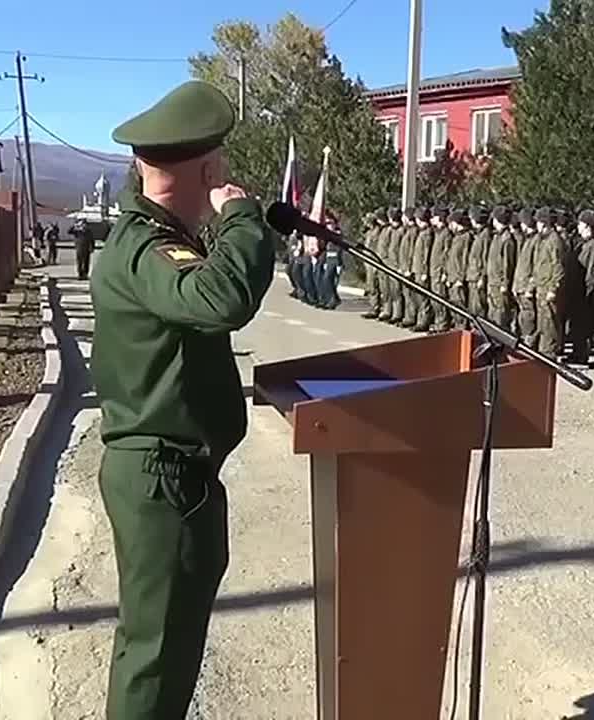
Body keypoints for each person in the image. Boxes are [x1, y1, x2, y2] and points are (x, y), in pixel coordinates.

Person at [91, 80, 275, 720]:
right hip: (159, 478)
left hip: (174, 476)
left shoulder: (158, 239)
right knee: (155, 657)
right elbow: (220, 300)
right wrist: (243, 217)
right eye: (219, 163)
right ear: (207, 167)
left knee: (162, 654)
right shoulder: (146, 247)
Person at [568, 209, 594, 365]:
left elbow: (591, 272)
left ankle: (582, 354)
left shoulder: (592, 246)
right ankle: (577, 353)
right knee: (577, 325)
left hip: (585, 291)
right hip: (578, 290)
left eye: (581, 224)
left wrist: (587, 292)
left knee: (583, 326)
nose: (578, 227)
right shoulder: (583, 244)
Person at [532, 207, 568, 356]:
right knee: (543, 323)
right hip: (541, 287)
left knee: (549, 323)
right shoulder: (543, 240)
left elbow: (558, 266)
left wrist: (553, 288)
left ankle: (549, 353)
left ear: (544, 223)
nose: (536, 225)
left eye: (539, 222)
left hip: (548, 289)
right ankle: (544, 351)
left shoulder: (555, 241)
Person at [486, 206, 517, 330]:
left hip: (499, 284)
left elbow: (507, 264)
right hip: (493, 281)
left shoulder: (507, 239)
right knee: (492, 313)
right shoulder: (496, 237)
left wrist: (505, 283)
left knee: (500, 314)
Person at [513, 208, 539, 344]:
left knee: (529, 317)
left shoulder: (535, 241)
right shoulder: (527, 240)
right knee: (524, 317)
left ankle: (531, 342)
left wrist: (530, 286)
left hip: (527, 287)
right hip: (520, 286)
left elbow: (536, 267)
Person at [444, 209, 471, 329]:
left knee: (460, 304)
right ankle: (457, 324)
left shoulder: (466, 237)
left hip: (458, 276)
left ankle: (462, 326)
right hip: (452, 275)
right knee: (453, 303)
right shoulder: (456, 237)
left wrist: (460, 277)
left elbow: (464, 259)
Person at [428, 207, 453, 332]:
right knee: (435, 299)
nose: (432, 219)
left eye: (435, 217)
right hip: (434, 270)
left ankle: (442, 324)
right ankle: (438, 322)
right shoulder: (438, 232)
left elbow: (446, 254)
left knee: (440, 299)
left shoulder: (446, 233)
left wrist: (444, 271)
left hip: (439, 271)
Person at [466, 206, 491, 320]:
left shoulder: (485, 236)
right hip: (473, 275)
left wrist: (482, 277)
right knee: (472, 307)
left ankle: (478, 331)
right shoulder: (479, 235)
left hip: (478, 276)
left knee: (478, 307)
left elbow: (485, 258)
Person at [315, 213, 343, 309]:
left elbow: (340, 250)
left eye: (330, 223)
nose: (328, 225)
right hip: (329, 259)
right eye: (326, 223)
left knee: (328, 280)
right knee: (326, 280)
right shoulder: (328, 235)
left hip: (335, 260)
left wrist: (339, 264)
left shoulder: (338, 234)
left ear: (335, 223)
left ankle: (332, 301)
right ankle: (330, 299)